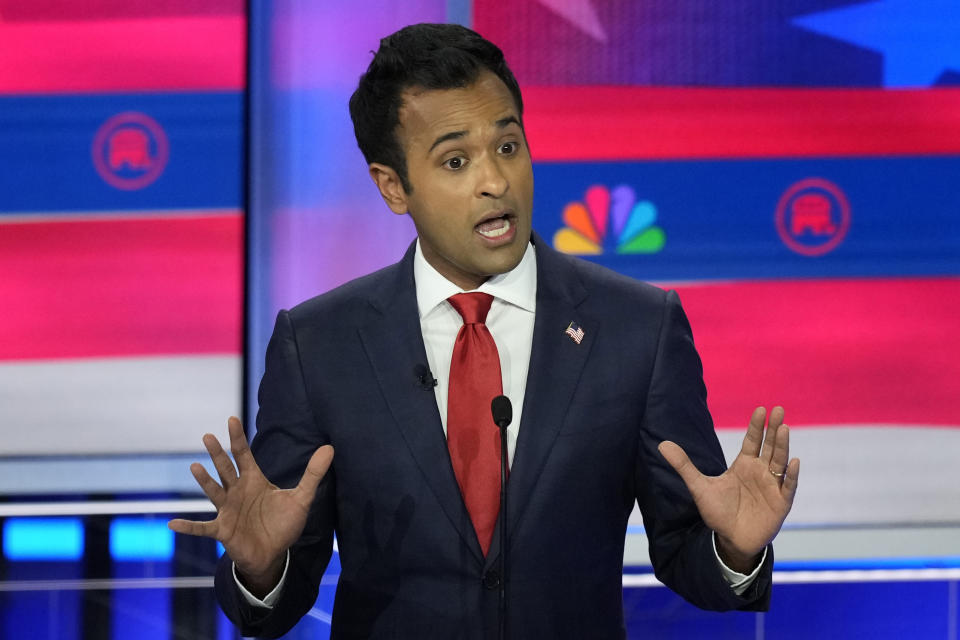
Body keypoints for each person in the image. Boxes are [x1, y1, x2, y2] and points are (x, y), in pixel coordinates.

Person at [169, 23, 799, 639]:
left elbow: (689, 551)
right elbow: (273, 600)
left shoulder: (636, 327)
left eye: (508, 146)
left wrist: (735, 552)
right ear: (393, 186)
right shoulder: (319, 346)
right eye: (455, 160)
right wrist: (260, 569)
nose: (494, 182)